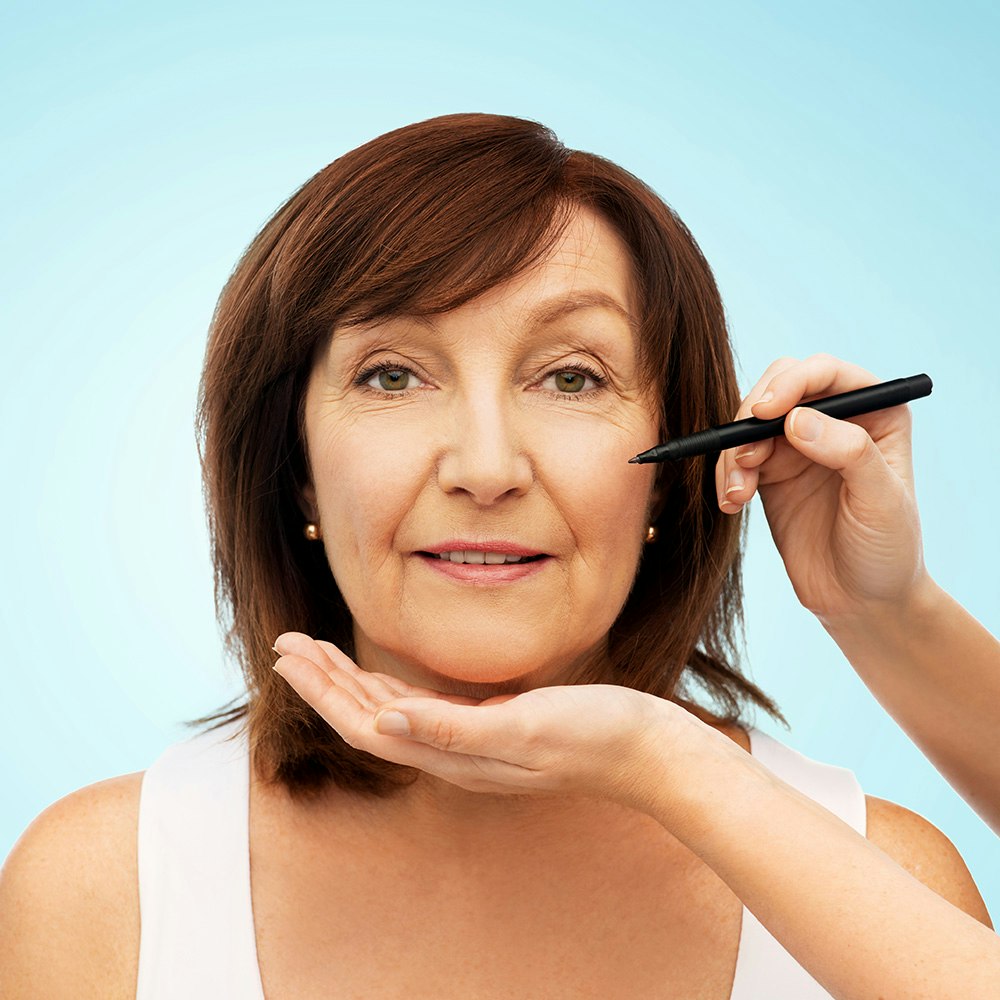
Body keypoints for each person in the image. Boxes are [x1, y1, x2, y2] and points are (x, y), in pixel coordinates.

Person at [0, 113, 997, 999]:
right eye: (392, 374)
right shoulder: (102, 886)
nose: (485, 467)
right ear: (295, 469)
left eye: (570, 377)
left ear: (673, 467)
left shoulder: (892, 883)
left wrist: (681, 758)